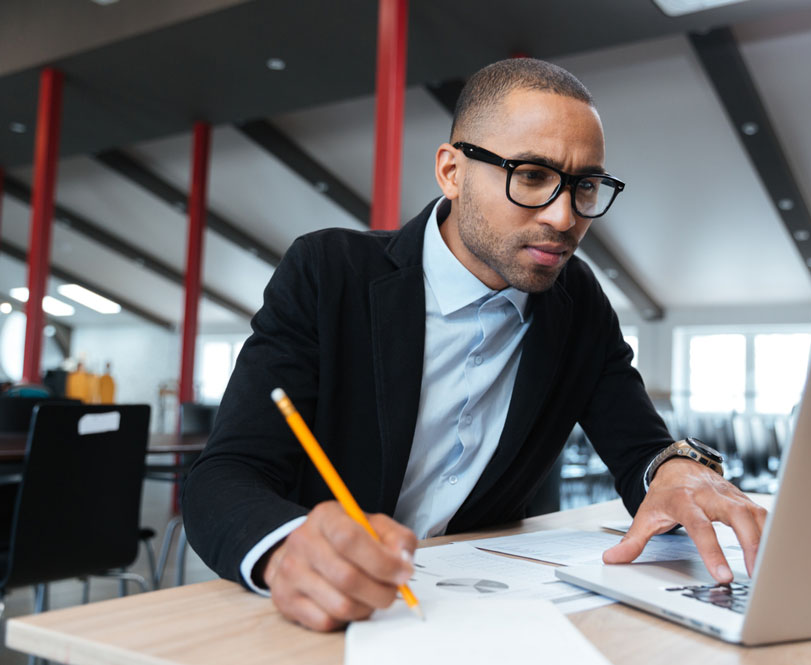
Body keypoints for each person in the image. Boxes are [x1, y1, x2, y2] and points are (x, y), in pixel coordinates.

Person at [183, 58, 767, 632]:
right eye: (532, 176)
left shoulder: (576, 300)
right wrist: (287, 551)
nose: (564, 218)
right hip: (322, 619)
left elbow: (642, 452)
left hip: (476, 616)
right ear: (452, 171)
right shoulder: (328, 272)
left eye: (584, 185)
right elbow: (224, 476)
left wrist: (678, 474)